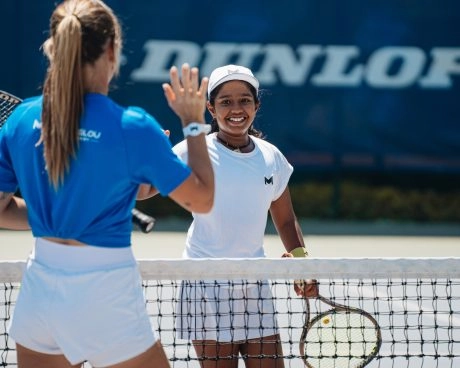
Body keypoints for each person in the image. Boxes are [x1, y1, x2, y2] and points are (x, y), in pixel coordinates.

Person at [0, 0, 214, 367]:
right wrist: (194, 123)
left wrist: (68, 215)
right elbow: (203, 199)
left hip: (38, 299)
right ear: (112, 50)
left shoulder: (20, 119)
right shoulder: (132, 126)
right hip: (103, 296)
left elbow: (2, 210)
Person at [137, 64, 318, 368]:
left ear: (256, 105)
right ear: (210, 107)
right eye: (226, 101)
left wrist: (302, 264)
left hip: (255, 282)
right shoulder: (193, 150)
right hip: (205, 282)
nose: (237, 109)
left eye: (245, 100)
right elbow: (143, 192)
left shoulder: (271, 157)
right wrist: (152, 154)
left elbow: (285, 219)